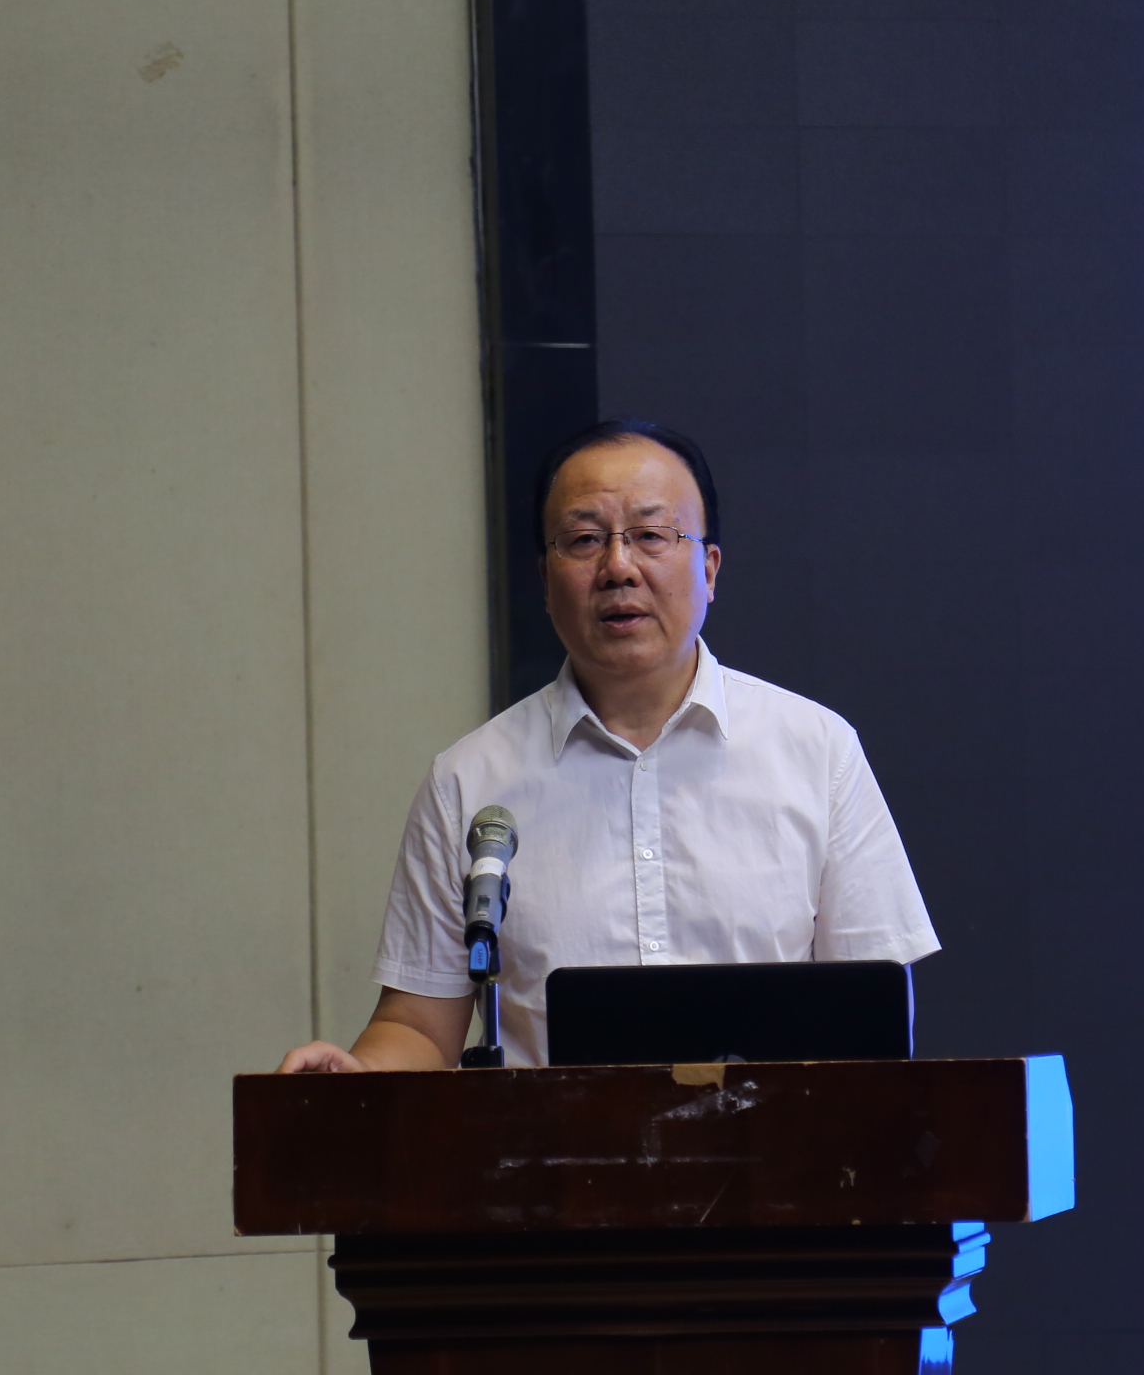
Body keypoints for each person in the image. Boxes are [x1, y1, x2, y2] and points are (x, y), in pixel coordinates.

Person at [279, 418, 937, 1071]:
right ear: (545, 579)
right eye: (585, 540)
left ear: (709, 569)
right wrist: (356, 1079)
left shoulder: (817, 752)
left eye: (651, 535)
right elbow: (420, 1026)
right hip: (554, 1144)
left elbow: (872, 1015)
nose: (618, 568)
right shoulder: (469, 783)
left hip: (770, 1139)